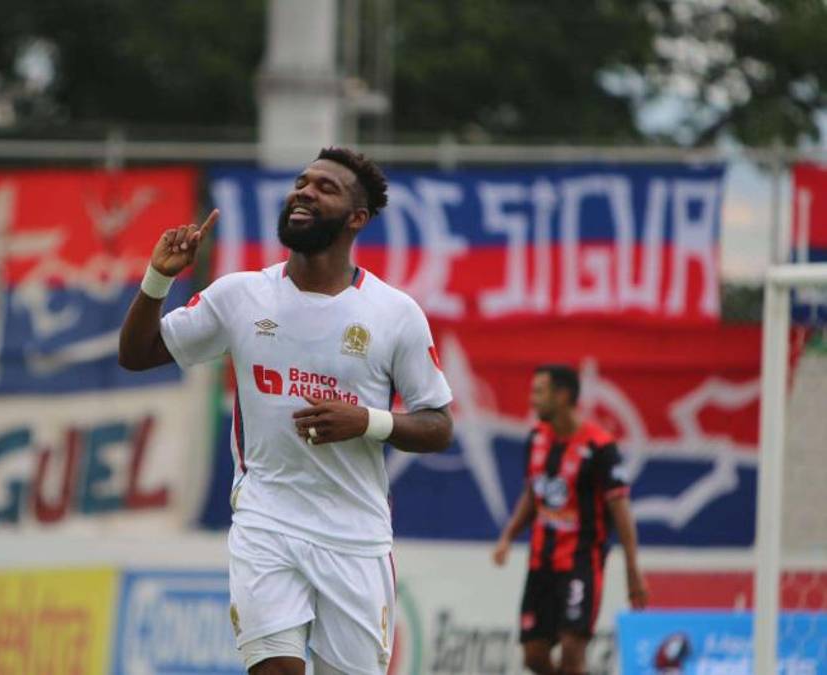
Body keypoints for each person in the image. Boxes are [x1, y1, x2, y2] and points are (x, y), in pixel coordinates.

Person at [118, 147, 454, 675]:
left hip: (356, 538)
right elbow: (137, 354)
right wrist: (158, 280)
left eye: (325, 188)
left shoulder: (395, 314)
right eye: (302, 182)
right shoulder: (240, 296)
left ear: (357, 218)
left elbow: (438, 425)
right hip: (266, 522)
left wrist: (367, 422)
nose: (305, 192)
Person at [492, 364, 647, 675]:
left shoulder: (600, 448)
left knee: (572, 653)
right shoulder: (537, 439)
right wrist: (508, 536)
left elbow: (621, 511)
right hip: (541, 563)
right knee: (534, 655)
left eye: (539, 391)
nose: (532, 399)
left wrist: (633, 571)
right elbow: (533, 493)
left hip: (581, 565)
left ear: (562, 395)